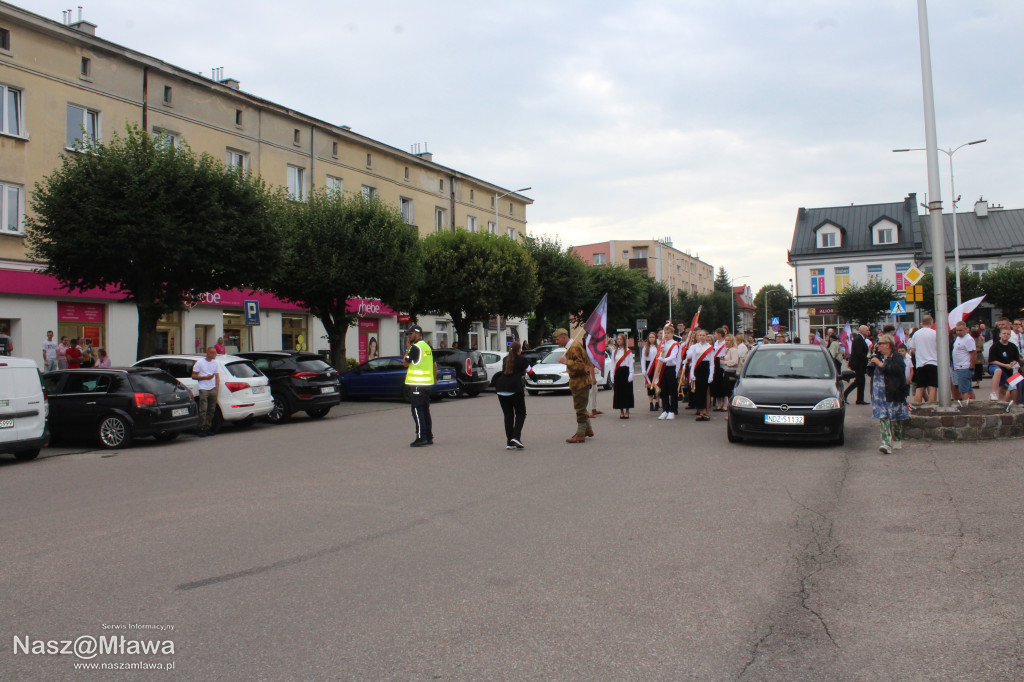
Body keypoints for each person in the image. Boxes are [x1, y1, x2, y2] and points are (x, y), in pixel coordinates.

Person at [869, 334, 909, 454]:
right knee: (883, 417)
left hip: (893, 392)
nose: (878, 346)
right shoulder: (879, 356)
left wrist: (880, 364)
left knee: (895, 418)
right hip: (880, 394)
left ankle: (897, 440)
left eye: (880, 344)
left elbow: (896, 370)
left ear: (887, 345)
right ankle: (885, 443)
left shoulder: (896, 357)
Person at [556, 328, 594, 443]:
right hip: (579, 381)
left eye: (557, 339)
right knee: (581, 407)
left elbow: (581, 366)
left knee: (580, 408)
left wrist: (566, 362)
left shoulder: (573, 347)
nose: (556, 342)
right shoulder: (573, 346)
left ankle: (580, 433)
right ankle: (588, 430)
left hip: (580, 382)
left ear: (564, 337)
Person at [403, 325, 437, 447]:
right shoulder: (427, 347)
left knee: (417, 410)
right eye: (408, 334)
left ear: (417, 334)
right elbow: (434, 364)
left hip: (417, 385)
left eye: (410, 334)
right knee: (425, 410)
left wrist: (407, 349)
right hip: (427, 384)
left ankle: (421, 437)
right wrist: (435, 378)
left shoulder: (415, 347)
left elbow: (405, 363)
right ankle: (428, 436)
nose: (409, 336)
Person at [495, 341, 529, 449]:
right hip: (514, 389)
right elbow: (531, 371)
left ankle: (509, 442)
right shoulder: (522, 359)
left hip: (501, 389)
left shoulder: (505, 359)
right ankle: (516, 437)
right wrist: (537, 380)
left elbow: (508, 370)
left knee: (508, 415)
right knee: (521, 413)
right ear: (519, 350)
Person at [191, 346, 220, 437]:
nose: (215, 355)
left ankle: (208, 427)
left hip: (212, 388)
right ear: (208, 353)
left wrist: (216, 388)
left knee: (211, 409)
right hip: (203, 388)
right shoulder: (200, 363)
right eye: (213, 353)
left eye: (215, 353)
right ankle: (201, 427)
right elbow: (193, 376)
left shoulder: (215, 363)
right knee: (203, 409)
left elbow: (217, 376)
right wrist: (204, 377)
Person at [908, 315, 938, 403]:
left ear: (922, 323)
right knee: (932, 387)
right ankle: (931, 407)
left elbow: (913, 350)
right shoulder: (934, 333)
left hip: (920, 364)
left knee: (920, 387)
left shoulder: (916, 334)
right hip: (933, 362)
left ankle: (917, 407)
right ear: (931, 322)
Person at [655, 324, 681, 420]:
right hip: (663, 369)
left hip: (671, 368)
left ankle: (673, 410)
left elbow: (673, 357)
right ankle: (665, 409)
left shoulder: (676, 344)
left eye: (668, 333)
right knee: (664, 390)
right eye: (665, 333)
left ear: (672, 334)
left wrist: (663, 359)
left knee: (672, 391)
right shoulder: (662, 344)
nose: (666, 335)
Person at [987, 326, 1020, 402]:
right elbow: (992, 360)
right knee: (998, 371)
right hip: (995, 366)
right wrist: (1005, 365)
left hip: (1008, 370)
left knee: (1003, 389)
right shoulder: (995, 346)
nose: (1006, 335)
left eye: (1008, 334)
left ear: (1010, 336)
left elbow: (1016, 359)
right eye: (1004, 333)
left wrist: (1012, 363)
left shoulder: (1013, 346)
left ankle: (1002, 404)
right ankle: (993, 392)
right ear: (1000, 335)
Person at [843, 325, 870, 404]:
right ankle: (845, 394)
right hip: (858, 364)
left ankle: (860, 399)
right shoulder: (858, 339)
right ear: (861, 331)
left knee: (862, 381)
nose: (868, 332)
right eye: (866, 330)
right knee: (859, 381)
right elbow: (858, 352)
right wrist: (866, 359)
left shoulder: (862, 339)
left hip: (861, 364)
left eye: (868, 330)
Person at [610, 333, 634, 419]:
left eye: (621, 339)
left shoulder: (628, 351)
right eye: (618, 339)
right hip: (618, 372)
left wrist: (631, 374)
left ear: (624, 341)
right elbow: (612, 364)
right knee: (619, 392)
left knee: (627, 392)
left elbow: (631, 364)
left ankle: (627, 410)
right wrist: (612, 375)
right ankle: (621, 411)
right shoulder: (614, 352)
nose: (619, 340)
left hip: (626, 372)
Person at [950, 321, 975, 400]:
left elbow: (973, 353)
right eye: (957, 330)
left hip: (964, 367)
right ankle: (973, 404)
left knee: (964, 390)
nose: (958, 332)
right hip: (958, 366)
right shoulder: (958, 338)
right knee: (968, 388)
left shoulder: (968, 339)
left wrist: (971, 367)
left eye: (960, 330)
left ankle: (965, 406)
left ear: (966, 329)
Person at [640, 331, 660, 412]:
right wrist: (643, 370)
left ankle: (657, 403)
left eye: (653, 337)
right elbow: (643, 359)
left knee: (656, 385)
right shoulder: (645, 347)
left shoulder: (658, 347)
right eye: (650, 337)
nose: (651, 339)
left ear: (655, 338)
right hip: (648, 367)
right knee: (649, 387)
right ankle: (651, 403)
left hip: (656, 367)